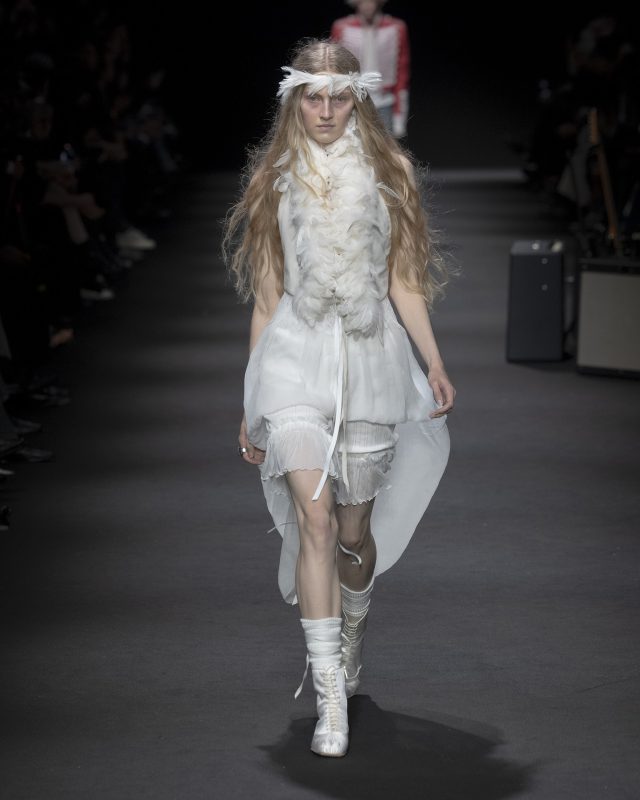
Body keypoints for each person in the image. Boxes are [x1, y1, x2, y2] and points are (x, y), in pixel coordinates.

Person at [223, 37, 454, 758]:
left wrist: (435, 363)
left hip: (369, 360)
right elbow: (265, 296)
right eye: (313, 96)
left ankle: (352, 631)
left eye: (338, 96)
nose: (325, 110)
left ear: (358, 98)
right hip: (295, 357)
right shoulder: (273, 177)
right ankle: (329, 695)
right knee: (315, 521)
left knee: (353, 534)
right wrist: (250, 395)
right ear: (296, 99)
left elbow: (404, 279)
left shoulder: (392, 172)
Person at [330, 0, 410, 138]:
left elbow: (402, 73)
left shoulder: (396, 28)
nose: (367, 5)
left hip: (385, 101)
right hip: (352, 101)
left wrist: (399, 117)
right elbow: (334, 70)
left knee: (384, 150)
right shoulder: (342, 27)